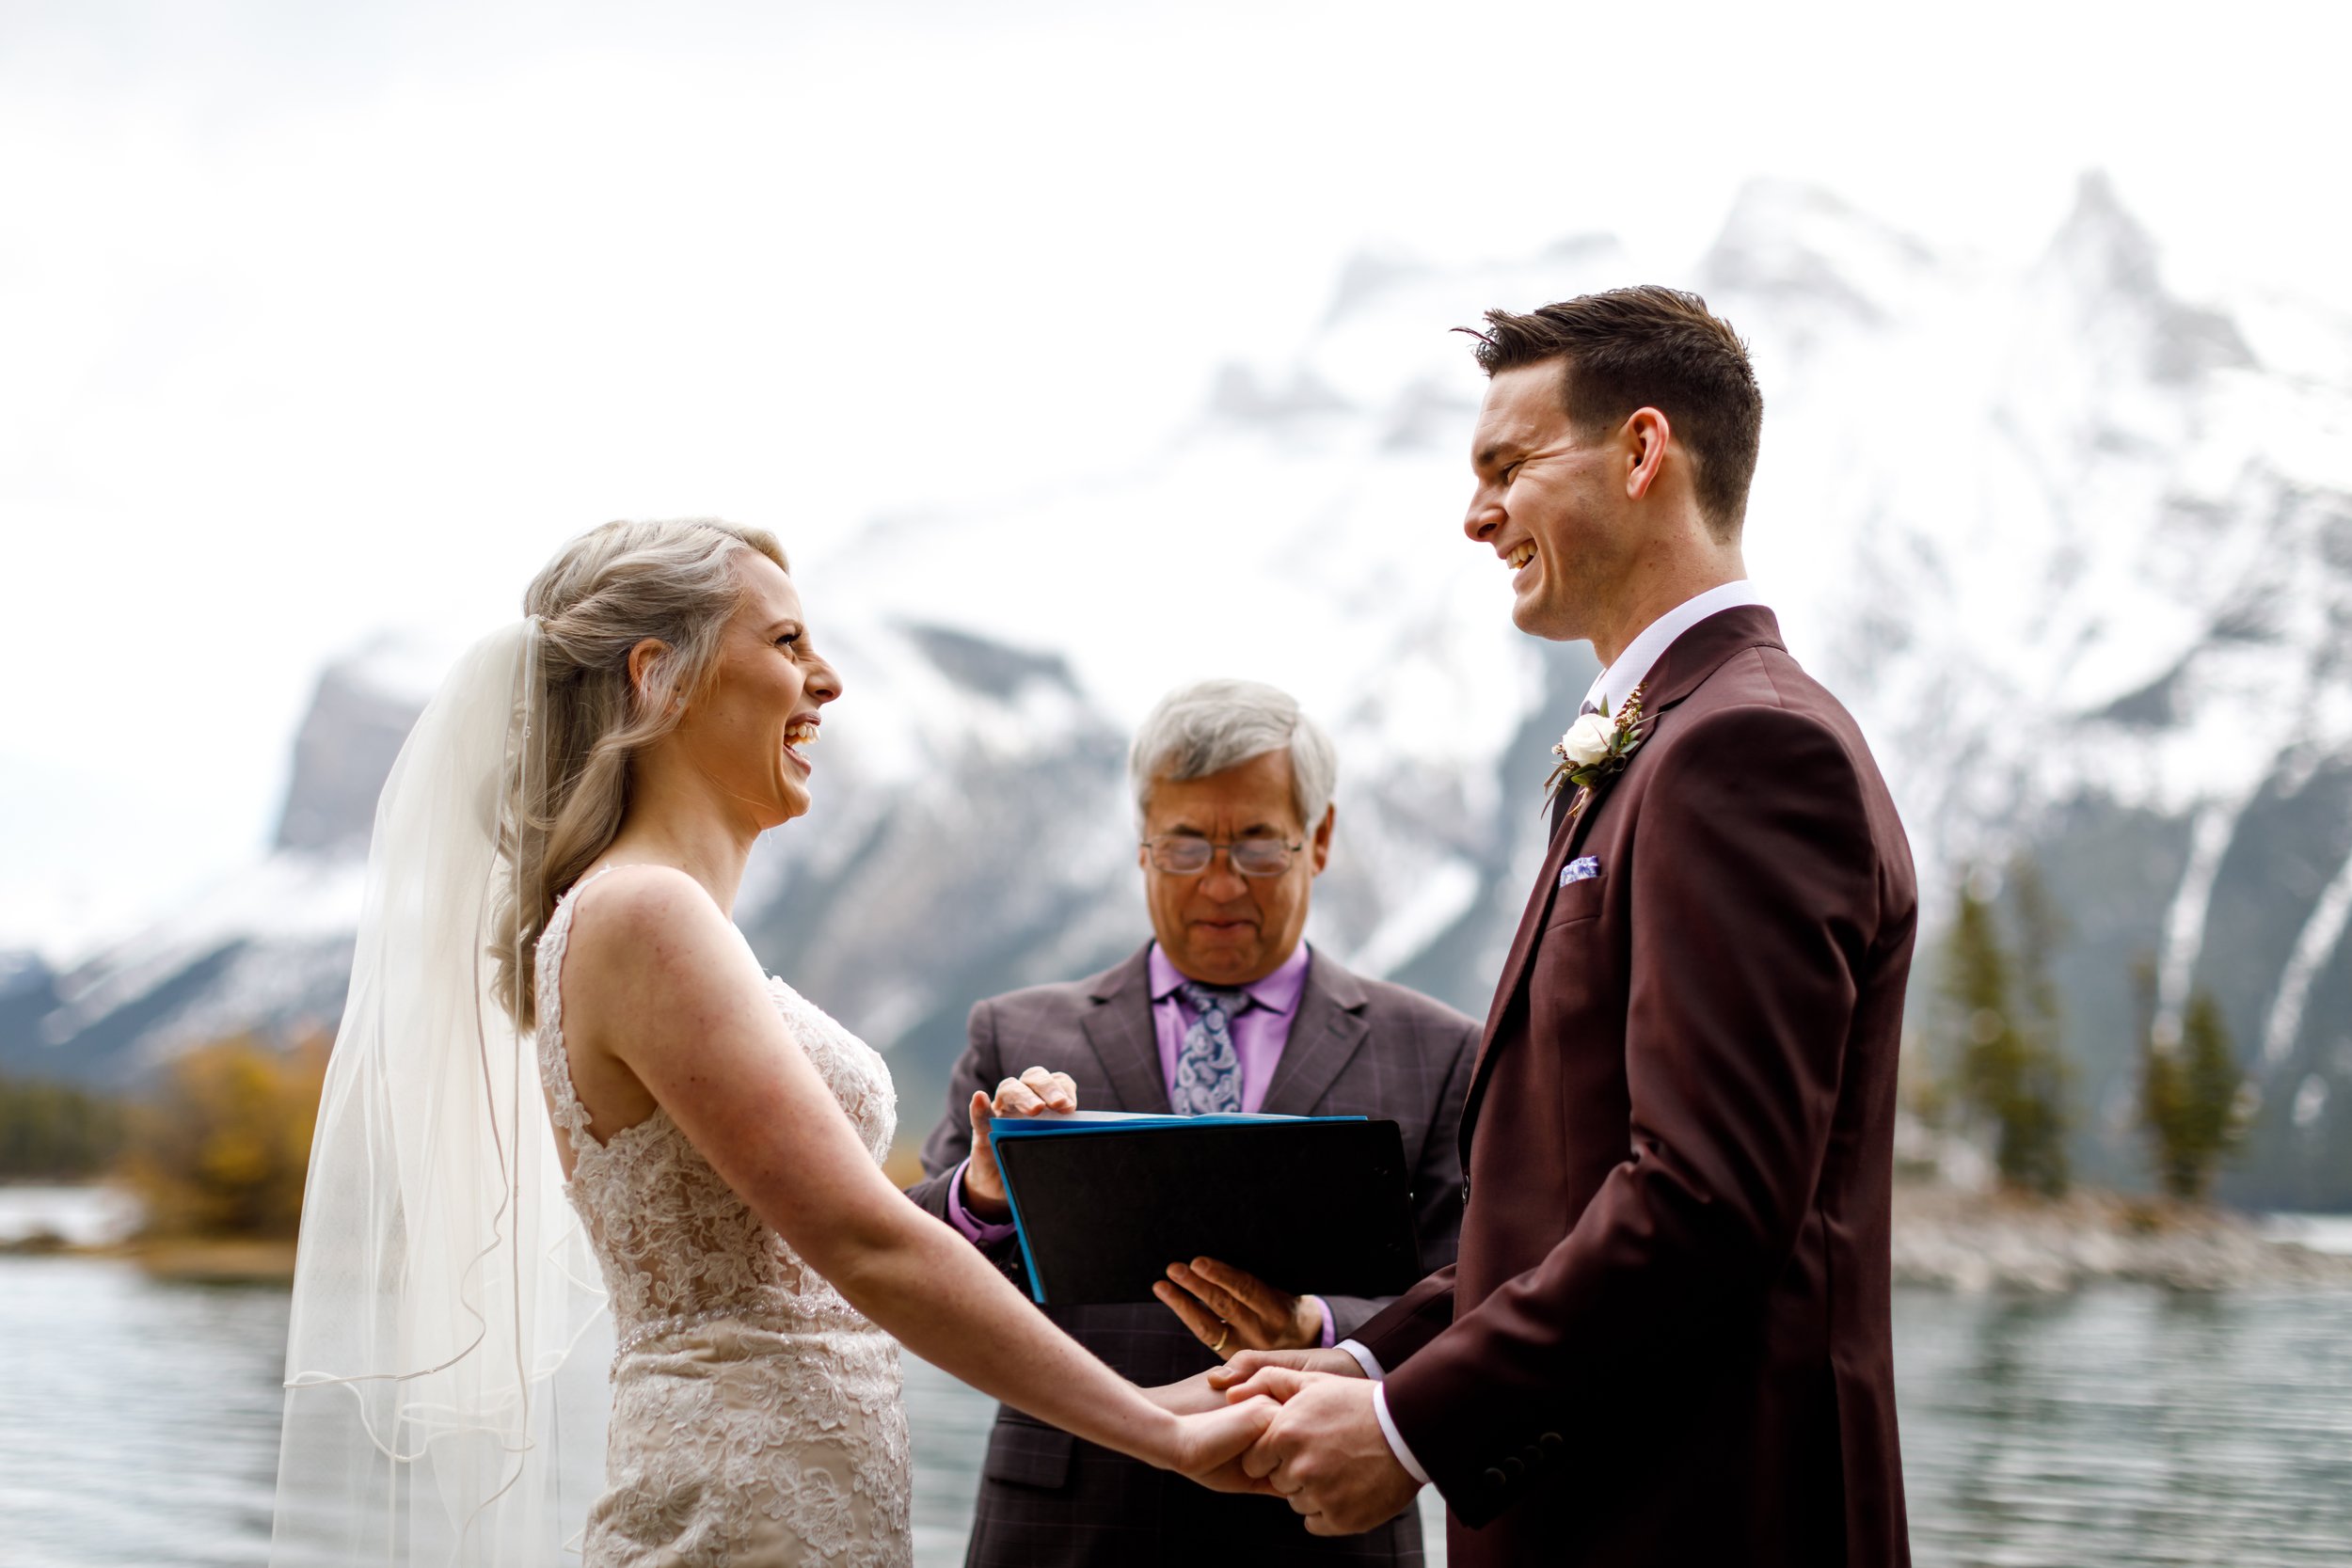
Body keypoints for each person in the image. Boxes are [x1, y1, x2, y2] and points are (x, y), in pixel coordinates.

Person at [273, 519, 1273, 1568]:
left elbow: (805, 1243)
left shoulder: (644, 918)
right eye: (788, 643)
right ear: (659, 676)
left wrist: (977, 1198)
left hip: (793, 1508)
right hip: (742, 1518)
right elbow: (864, 1243)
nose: (827, 679)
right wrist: (1157, 1424)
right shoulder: (646, 914)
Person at [1217, 288, 1920, 1567]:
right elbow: (1574, 1187)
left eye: (1508, 465)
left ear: (1644, 452)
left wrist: (1409, 1426)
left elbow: (1707, 1199)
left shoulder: (1747, 748)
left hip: (1696, 1520)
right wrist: (1362, 1356)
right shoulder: (1664, 738)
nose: (1476, 513)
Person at [905, 678, 1479, 1566]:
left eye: (1255, 845)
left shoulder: (1440, 1050)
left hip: (1321, 1522)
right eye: (1184, 846)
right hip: (1065, 1525)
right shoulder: (1012, 1034)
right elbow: (917, 1276)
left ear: (1319, 839)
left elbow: (1473, 1288)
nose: (1219, 882)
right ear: (1141, 846)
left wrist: (1320, 1333)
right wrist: (981, 1191)